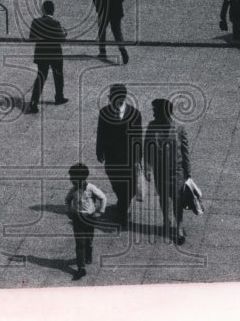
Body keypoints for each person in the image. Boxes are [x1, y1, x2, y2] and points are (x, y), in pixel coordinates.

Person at [144, 98, 191, 245]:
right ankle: (166, 221)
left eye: (155, 111)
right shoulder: (152, 126)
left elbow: (185, 151)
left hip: (176, 171)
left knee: (178, 200)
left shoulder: (179, 128)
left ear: (163, 112)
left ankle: (179, 228)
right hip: (160, 171)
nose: (153, 113)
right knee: (163, 198)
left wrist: (188, 172)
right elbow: (147, 148)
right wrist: (147, 168)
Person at [95, 83, 142, 228]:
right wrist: (99, 151)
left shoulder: (134, 114)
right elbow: (100, 133)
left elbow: (138, 137)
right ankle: (122, 208)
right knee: (117, 186)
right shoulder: (104, 112)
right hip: (112, 158)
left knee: (131, 189)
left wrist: (138, 158)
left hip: (129, 159)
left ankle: (121, 212)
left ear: (123, 98)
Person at [64, 163, 106, 281]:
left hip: (90, 218)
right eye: (71, 178)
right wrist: (68, 211)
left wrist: (100, 212)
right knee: (79, 244)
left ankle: (88, 254)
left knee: (89, 239)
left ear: (82, 178)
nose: (71, 180)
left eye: (73, 178)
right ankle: (81, 268)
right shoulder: (73, 190)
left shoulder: (91, 188)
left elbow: (103, 198)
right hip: (77, 219)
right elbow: (67, 200)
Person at [27, 0, 68, 113]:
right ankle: (59, 97)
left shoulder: (36, 22)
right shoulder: (56, 23)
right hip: (55, 54)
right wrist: (64, 33)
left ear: (43, 10)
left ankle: (34, 101)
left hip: (42, 54)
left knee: (41, 77)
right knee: (58, 76)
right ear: (53, 10)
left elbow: (32, 37)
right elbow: (61, 39)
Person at [94, 0, 129, 64]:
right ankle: (122, 50)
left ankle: (102, 52)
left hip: (104, 11)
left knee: (102, 31)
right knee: (117, 32)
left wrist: (99, 9)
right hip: (116, 11)